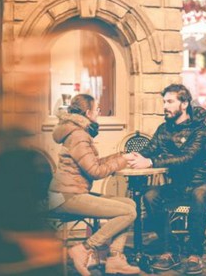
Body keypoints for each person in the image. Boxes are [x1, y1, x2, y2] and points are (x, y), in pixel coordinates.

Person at [127, 84, 206, 275]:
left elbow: (186, 158)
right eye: (164, 101)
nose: (165, 106)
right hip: (179, 187)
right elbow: (149, 150)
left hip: (205, 184)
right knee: (151, 195)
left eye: (169, 101)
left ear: (184, 103)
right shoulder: (164, 129)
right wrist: (128, 158)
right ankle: (171, 250)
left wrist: (151, 162)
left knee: (199, 194)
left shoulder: (199, 130)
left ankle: (195, 255)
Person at [48, 94, 140, 276]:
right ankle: (83, 248)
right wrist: (121, 161)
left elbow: (93, 163)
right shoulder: (79, 135)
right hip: (67, 197)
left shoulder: (76, 131)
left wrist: (122, 157)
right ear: (88, 112)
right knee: (128, 212)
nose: (99, 113)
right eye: (97, 110)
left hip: (72, 193)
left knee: (130, 204)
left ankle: (115, 259)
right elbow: (95, 171)